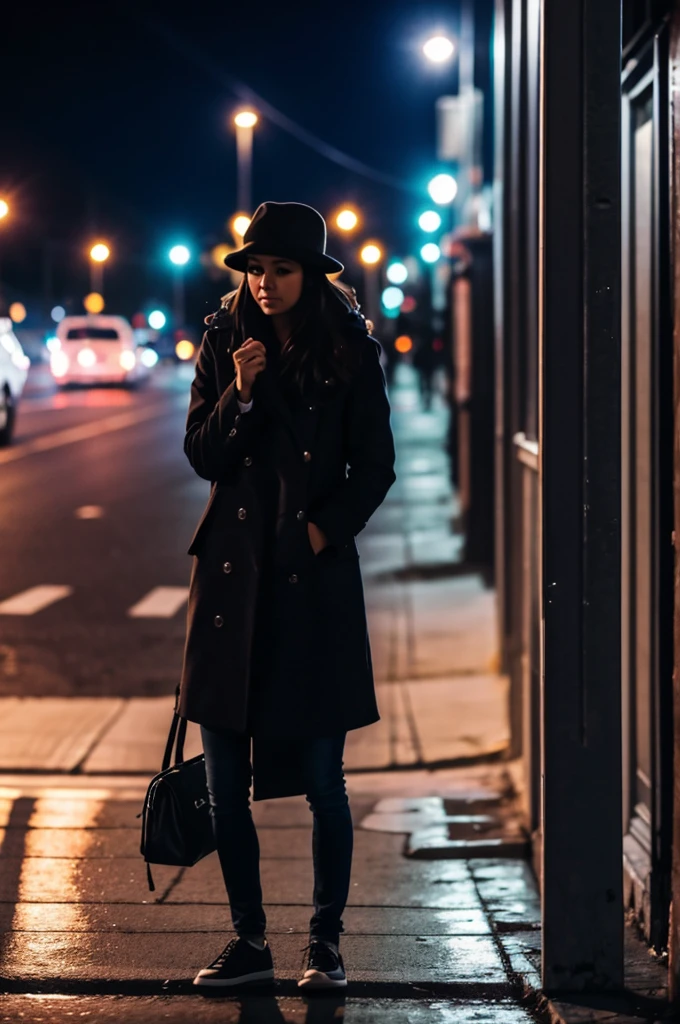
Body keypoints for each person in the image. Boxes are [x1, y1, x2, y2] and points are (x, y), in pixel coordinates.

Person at [178, 202, 396, 990]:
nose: (265, 284)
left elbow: (375, 466)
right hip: (233, 585)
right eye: (256, 270)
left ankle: (325, 944)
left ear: (312, 276)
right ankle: (249, 942)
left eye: (282, 270)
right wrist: (237, 394)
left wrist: (319, 533)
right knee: (223, 783)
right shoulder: (221, 343)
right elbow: (202, 455)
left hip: (312, 586)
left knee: (324, 782)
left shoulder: (349, 351)